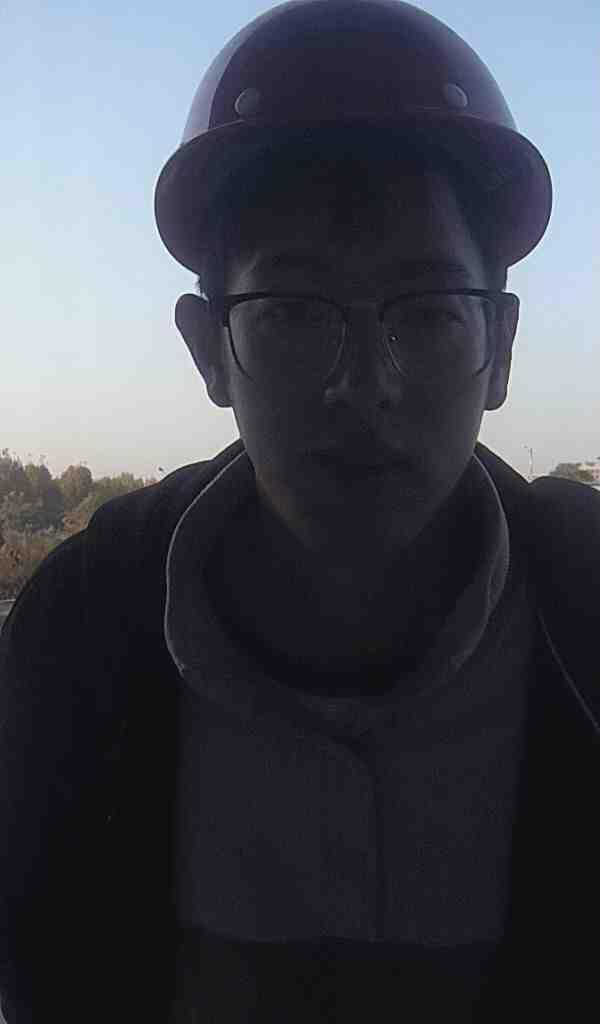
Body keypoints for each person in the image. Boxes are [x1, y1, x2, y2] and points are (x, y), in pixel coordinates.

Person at [1, 2, 599, 1021]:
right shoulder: (78, 636)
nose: (363, 385)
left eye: (427, 313)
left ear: (499, 350)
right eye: (290, 313)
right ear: (208, 351)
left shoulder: (591, 618)